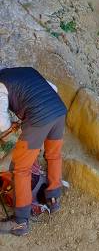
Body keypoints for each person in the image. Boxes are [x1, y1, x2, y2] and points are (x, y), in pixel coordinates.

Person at [0, 67, 67, 236]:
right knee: (53, 155)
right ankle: (53, 199)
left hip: (39, 118)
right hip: (59, 111)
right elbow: (53, 88)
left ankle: (20, 222)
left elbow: (1, 122)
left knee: (20, 169)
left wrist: (11, 128)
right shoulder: (25, 71)